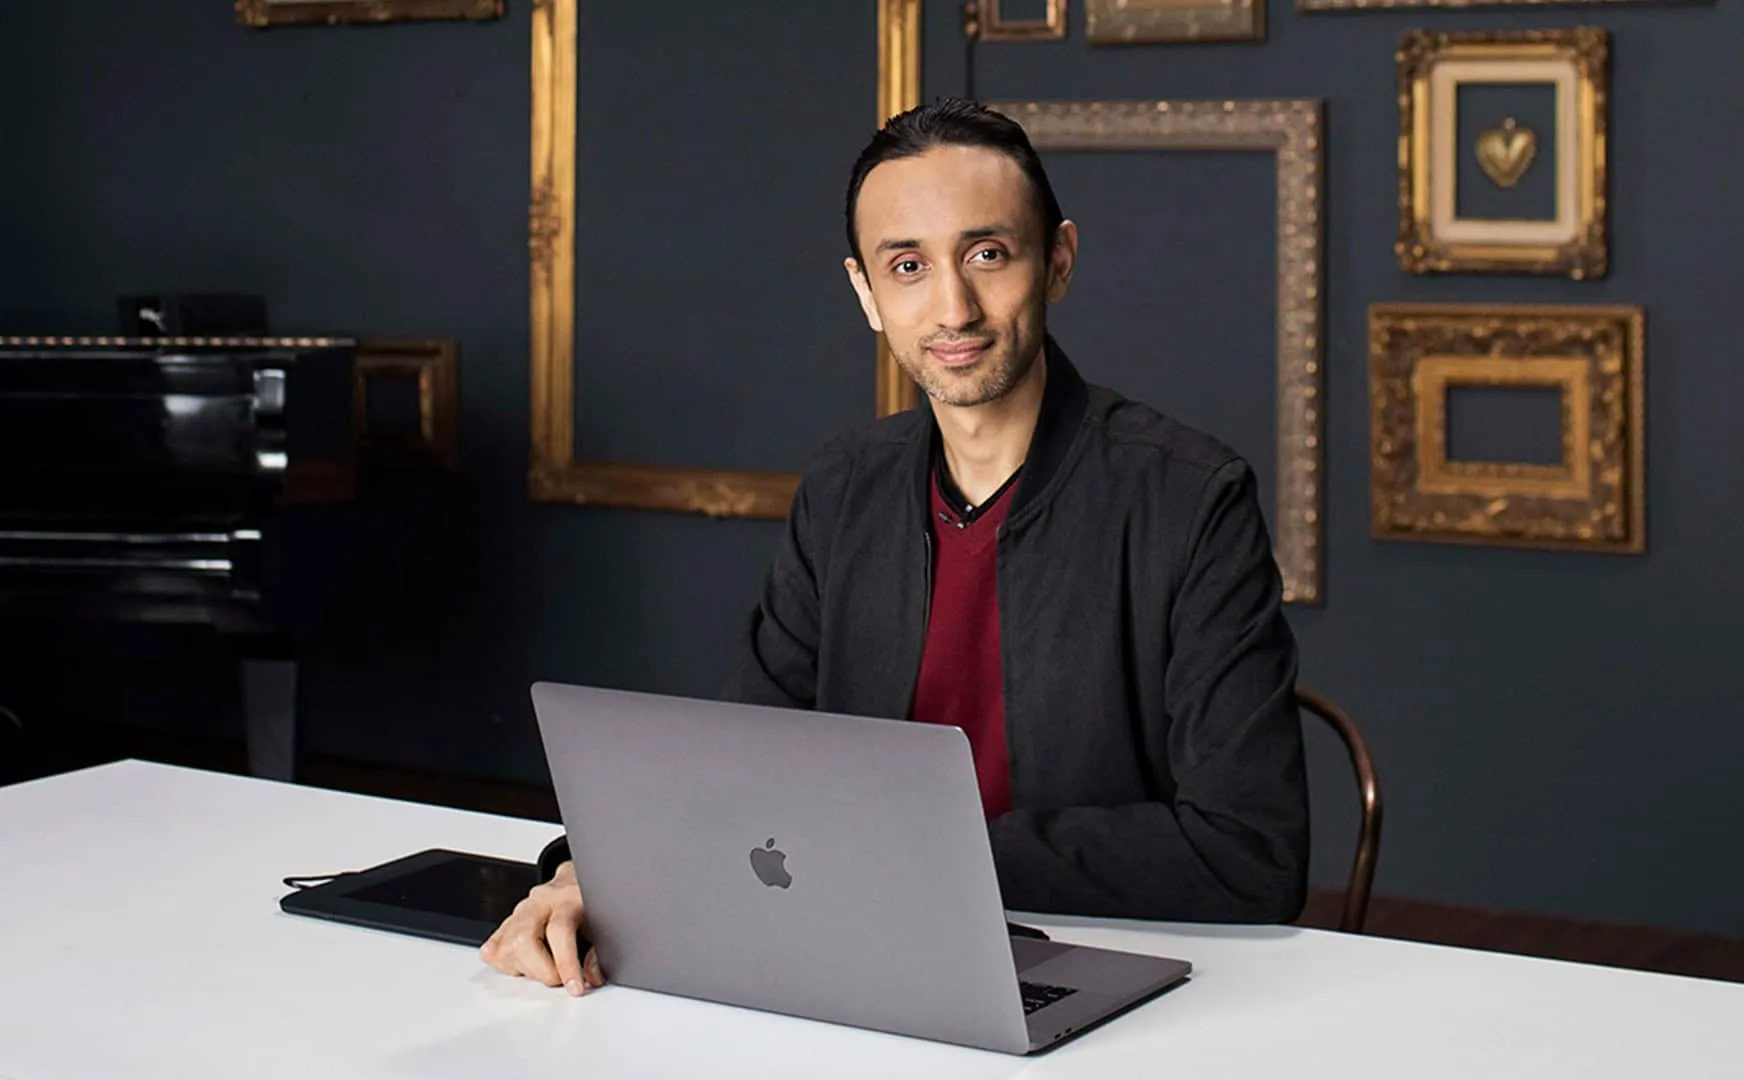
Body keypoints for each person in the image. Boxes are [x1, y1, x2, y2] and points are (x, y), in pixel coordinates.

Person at [481, 98, 1311, 998]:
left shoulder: (1191, 497)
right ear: (867, 294)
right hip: (849, 954)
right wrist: (596, 872)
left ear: (1059, 261)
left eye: (987, 254)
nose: (953, 307)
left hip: (1092, 966)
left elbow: (1248, 851)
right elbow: (747, 762)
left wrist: (907, 856)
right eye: (908, 266)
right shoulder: (845, 487)